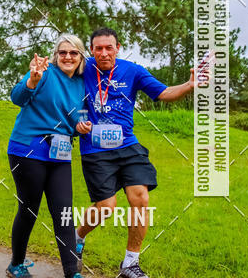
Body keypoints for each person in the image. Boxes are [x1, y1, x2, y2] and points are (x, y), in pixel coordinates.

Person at [75, 27, 197, 278]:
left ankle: (130, 264)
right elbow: (60, 79)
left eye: (109, 47)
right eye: (98, 48)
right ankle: (77, 238)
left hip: (127, 144)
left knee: (140, 198)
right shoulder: (83, 67)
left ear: (118, 48)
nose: (104, 53)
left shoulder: (133, 71)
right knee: (106, 206)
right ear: (92, 50)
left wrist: (189, 85)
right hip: (95, 147)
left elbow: (164, 93)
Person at [6, 34, 92, 278]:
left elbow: (75, 119)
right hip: (28, 149)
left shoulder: (82, 83)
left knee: (64, 213)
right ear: (56, 55)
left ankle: (71, 273)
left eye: (73, 53)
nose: (68, 57)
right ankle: (16, 264)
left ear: (81, 57)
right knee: (29, 209)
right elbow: (17, 98)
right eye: (63, 52)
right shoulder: (44, 72)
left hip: (60, 152)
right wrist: (32, 80)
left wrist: (80, 127)